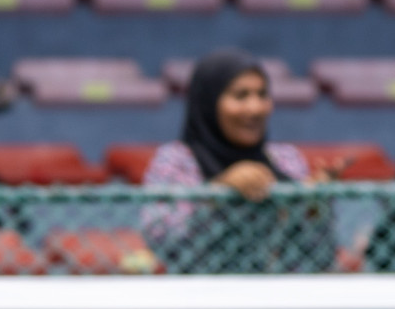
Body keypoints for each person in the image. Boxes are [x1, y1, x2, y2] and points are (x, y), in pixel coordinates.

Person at [142, 50, 332, 272]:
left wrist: (314, 209)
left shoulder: (286, 160)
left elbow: (320, 258)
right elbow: (162, 241)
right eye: (240, 96)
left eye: (262, 95)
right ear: (208, 102)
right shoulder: (177, 160)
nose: (255, 108)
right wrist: (217, 193)